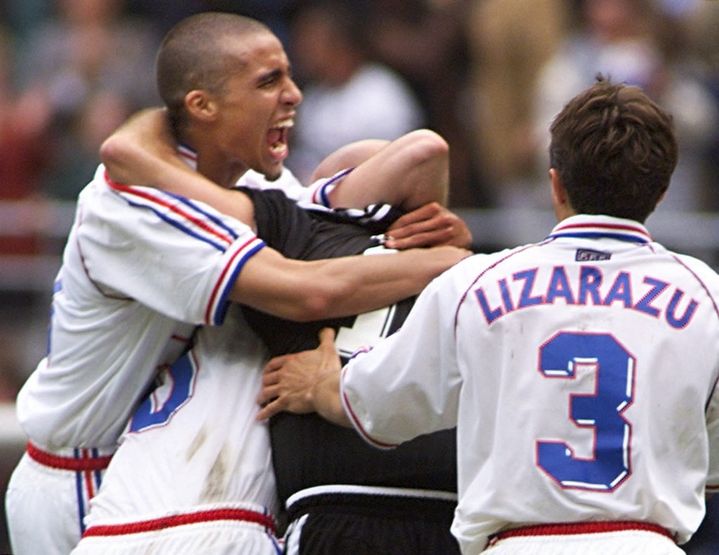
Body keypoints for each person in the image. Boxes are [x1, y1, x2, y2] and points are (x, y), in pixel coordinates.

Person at [4, 12, 469, 555]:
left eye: (291, 76)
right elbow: (304, 291)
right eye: (269, 81)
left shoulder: (243, 183)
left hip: (171, 468)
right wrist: (449, 263)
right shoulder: (129, 205)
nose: (294, 95)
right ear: (203, 106)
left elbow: (404, 165)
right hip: (88, 472)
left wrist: (423, 227)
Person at [258, 77, 719, 555]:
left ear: (555, 183)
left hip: (519, 544)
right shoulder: (708, 297)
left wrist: (317, 384)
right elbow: (709, 465)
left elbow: (377, 405)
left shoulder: (477, 283)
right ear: (661, 191)